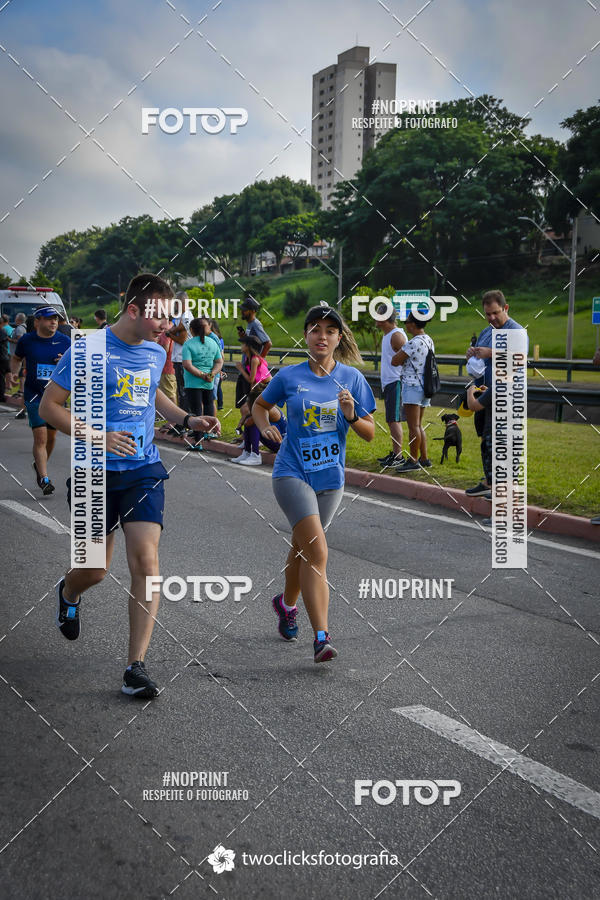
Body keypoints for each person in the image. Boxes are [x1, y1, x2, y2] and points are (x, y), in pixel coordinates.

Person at [39, 273, 220, 699]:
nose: (167, 327)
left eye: (170, 318)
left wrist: (187, 419)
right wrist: (97, 436)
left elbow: (152, 393)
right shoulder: (87, 349)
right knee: (96, 570)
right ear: (134, 310)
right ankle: (69, 591)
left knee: (147, 564)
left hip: (143, 469)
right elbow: (49, 406)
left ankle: (134, 667)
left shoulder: (156, 351)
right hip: (93, 471)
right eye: (160, 318)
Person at [253, 305, 375, 663]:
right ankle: (321, 637)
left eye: (330, 330)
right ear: (305, 335)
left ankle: (286, 604)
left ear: (339, 338)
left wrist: (351, 415)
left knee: (303, 549)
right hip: (292, 473)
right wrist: (265, 427)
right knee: (318, 552)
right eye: (315, 329)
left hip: (331, 479)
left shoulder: (352, 379)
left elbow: (369, 433)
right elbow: (260, 405)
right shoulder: (289, 376)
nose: (322, 336)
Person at [464, 290, 528, 496]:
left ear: (505, 308)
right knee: (488, 442)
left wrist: (490, 353)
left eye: (495, 313)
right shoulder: (486, 332)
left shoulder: (516, 331)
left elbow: (519, 359)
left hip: (508, 396)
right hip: (487, 391)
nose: (491, 318)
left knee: (505, 444)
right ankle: (490, 483)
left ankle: (506, 490)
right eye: (487, 314)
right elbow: (480, 361)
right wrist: (471, 354)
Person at [6, 307, 71, 494]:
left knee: (51, 438)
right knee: (41, 437)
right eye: (49, 319)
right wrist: (13, 373)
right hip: (34, 395)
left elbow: (79, 365)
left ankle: (39, 465)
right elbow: (16, 358)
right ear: (37, 321)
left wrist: (65, 362)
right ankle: (44, 478)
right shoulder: (27, 340)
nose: (54, 322)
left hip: (56, 397)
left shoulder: (65, 341)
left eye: (56, 319)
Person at [390, 312, 433, 472]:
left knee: (413, 426)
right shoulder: (428, 339)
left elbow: (395, 361)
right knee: (418, 425)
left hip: (412, 386)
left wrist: (397, 351)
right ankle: (424, 458)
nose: (406, 324)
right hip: (425, 386)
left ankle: (413, 460)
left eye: (407, 322)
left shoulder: (412, 343)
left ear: (413, 324)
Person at [181, 317, 223, 450]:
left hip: (193, 382)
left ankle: (198, 441)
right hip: (208, 382)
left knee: (196, 410)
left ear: (191, 330)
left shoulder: (188, 344)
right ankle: (208, 433)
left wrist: (201, 375)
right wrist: (211, 374)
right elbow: (219, 361)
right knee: (209, 405)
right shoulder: (213, 342)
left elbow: (187, 365)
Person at [375, 303, 407, 468]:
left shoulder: (397, 336)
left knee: (394, 420)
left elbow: (408, 358)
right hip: (389, 382)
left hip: (396, 381)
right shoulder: (388, 335)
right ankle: (395, 453)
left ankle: (398, 456)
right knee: (391, 420)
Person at [233, 379, 287, 466]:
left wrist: (243, 423)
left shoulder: (269, 410)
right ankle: (247, 452)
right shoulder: (263, 407)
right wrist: (243, 420)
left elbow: (249, 422)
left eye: (248, 401)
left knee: (254, 423)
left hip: (282, 445)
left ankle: (255, 455)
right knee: (251, 421)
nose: (247, 403)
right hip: (278, 441)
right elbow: (246, 413)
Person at [235, 296, 272, 416]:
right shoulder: (250, 324)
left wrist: (258, 361)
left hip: (250, 369)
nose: (242, 312)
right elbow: (253, 342)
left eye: (245, 310)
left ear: (253, 311)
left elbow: (267, 343)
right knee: (244, 403)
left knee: (248, 403)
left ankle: (252, 424)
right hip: (247, 366)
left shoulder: (256, 324)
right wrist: (244, 337)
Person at [168, 291, 192, 425]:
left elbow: (182, 339)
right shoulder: (180, 316)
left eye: (177, 303)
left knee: (184, 392)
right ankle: (181, 421)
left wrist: (170, 334)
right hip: (179, 358)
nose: (175, 306)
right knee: (181, 391)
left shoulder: (187, 315)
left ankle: (184, 421)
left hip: (183, 358)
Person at [9, 313, 27, 417]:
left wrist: (10, 340)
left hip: (18, 355)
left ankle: (21, 390)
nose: (15, 320)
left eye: (16, 318)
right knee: (21, 373)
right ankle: (21, 390)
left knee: (19, 373)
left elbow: (20, 340)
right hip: (20, 356)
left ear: (18, 320)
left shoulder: (20, 328)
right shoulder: (23, 327)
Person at [208, 319, 225, 410]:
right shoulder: (215, 337)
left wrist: (219, 369)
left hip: (214, 371)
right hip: (214, 371)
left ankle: (218, 408)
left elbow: (221, 356)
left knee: (211, 399)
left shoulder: (213, 337)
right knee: (210, 397)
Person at [0, 317, 10, 402]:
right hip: (4, 357)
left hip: (2, 358)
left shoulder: (2, 332)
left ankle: (1, 396)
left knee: (1, 378)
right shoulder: (3, 332)